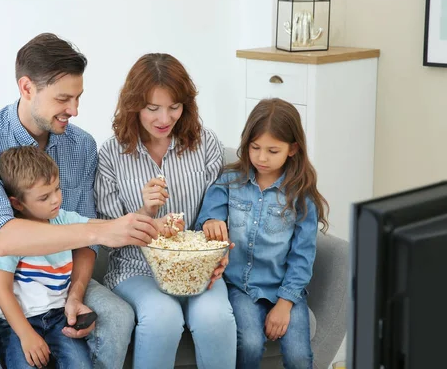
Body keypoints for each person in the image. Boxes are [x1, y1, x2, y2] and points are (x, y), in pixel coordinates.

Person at [0, 33, 159, 369]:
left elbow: (86, 244)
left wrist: (75, 293)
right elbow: (5, 237)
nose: (74, 110)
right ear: (27, 88)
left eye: (78, 97)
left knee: (116, 314)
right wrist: (99, 231)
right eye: (63, 99)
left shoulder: (81, 146)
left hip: (54, 279)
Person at [94, 53, 237, 369]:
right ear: (134, 106)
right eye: (152, 108)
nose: (164, 118)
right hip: (136, 268)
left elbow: (222, 204)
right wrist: (146, 212)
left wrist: (220, 245)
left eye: (174, 107)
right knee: (163, 319)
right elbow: (105, 235)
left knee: (215, 318)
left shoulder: (205, 143)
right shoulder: (111, 154)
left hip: (199, 266)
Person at [195, 98, 329, 369]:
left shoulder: (301, 198)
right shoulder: (229, 181)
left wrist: (284, 303)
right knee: (251, 343)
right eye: (255, 148)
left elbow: (303, 256)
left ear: (293, 149)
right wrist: (210, 222)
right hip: (240, 287)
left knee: (299, 356)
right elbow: (208, 217)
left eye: (272, 150)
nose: (262, 157)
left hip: (285, 289)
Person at [0, 146, 93, 369]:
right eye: (45, 197)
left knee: (81, 365)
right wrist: (26, 335)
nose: (56, 200)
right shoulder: (11, 234)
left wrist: (141, 222)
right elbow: (2, 291)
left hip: (58, 317)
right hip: (18, 322)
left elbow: (97, 228)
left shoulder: (64, 219)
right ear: (17, 203)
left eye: (57, 189)